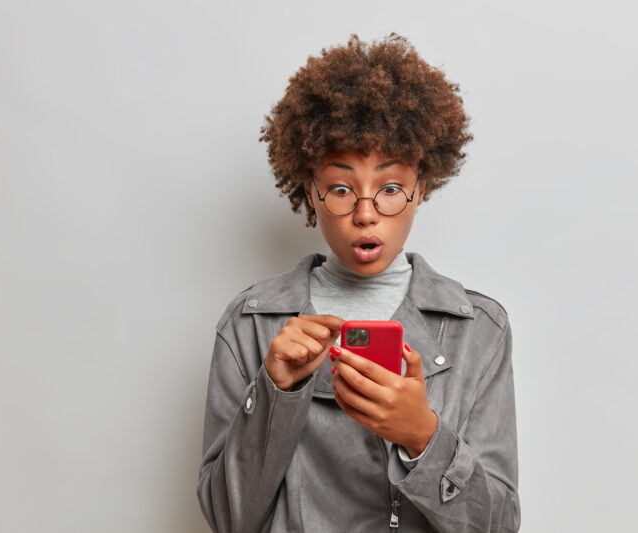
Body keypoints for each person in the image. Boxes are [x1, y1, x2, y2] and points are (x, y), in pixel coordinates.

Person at [197, 33, 520, 532]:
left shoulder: (479, 329)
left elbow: (497, 525)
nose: (366, 215)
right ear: (310, 190)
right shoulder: (249, 324)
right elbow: (227, 518)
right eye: (342, 188)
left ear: (421, 187)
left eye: (390, 188)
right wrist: (275, 392)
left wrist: (422, 437)